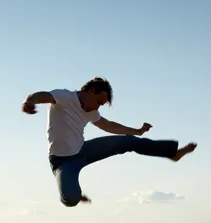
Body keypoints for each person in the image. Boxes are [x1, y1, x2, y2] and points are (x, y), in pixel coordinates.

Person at [22, 77, 197, 207]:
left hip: (84, 151)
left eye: (102, 105)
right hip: (62, 163)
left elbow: (109, 126)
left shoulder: (91, 112)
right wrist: (30, 101)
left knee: (129, 142)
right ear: (91, 91)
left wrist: (136, 131)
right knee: (71, 200)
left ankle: (172, 153)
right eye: (99, 101)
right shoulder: (64, 97)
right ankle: (73, 191)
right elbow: (42, 95)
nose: (98, 107)